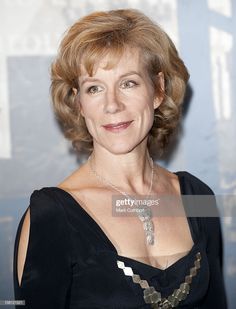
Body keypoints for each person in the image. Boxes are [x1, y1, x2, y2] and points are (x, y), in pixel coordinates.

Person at [13, 8, 227, 309]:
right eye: (95, 88)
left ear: (158, 89)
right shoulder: (52, 217)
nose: (112, 104)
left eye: (128, 83)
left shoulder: (197, 196)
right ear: (79, 104)